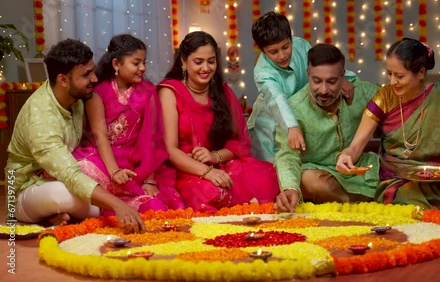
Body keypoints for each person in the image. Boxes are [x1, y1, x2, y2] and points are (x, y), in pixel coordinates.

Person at [336, 38, 440, 215]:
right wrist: (346, 156)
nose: (392, 82)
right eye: (389, 74)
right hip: (399, 177)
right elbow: (356, 146)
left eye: (399, 76)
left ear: (421, 73)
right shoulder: (384, 97)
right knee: (408, 197)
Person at [5, 39, 145, 231]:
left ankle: (56, 217)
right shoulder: (40, 117)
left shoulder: (78, 97)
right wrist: (118, 205)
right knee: (67, 195)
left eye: (92, 70)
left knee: (96, 190)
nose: (94, 79)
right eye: (87, 75)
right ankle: (50, 214)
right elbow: (70, 173)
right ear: (63, 80)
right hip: (27, 189)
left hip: (60, 176)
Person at [157, 31, 280, 213]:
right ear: (183, 61)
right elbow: (170, 150)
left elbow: (239, 143)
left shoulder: (222, 92)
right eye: (198, 62)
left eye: (211, 61)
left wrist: (214, 157)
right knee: (212, 194)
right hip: (184, 168)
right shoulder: (170, 92)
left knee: (268, 176)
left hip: (218, 163)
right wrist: (207, 172)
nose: (206, 68)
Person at [72, 34, 184, 215]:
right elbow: (100, 135)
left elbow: (151, 138)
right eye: (136, 63)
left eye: (144, 62)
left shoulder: (148, 91)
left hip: (135, 162)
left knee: (155, 207)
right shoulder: (98, 92)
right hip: (102, 158)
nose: (142, 68)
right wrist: (114, 171)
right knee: (82, 173)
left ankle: (125, 204)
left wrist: (149, 179)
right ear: (117, 64)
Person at [275, 44, 380, 213]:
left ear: (342, 76)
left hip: (361, 169)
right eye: (317, 81)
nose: (323, 90)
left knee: (392, 172)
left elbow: (392, 100)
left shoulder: (360, 93)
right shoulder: (294, 109)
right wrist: (290, 188)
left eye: (332, 81)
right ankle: (368, 203)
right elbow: (287, 156)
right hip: (322, 175)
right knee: (307, 180)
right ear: (308, 74)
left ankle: (369, 198)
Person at [247, 11, 357, 162]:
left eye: (285, 47)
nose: (282, 55)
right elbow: (277, 100)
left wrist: (342, 79)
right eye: (273, 52)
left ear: (291, 39)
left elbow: (319, 67)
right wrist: (291, 126)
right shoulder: (262, 73)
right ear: (263, 51)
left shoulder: (300, 45)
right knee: (276, 168)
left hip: (300, 115)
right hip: (270, 122)